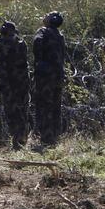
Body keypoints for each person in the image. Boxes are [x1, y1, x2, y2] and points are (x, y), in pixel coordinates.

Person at [33, 11, 67, 146]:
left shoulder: (43, 32)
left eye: (47, 15)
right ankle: (55, 135)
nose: (44, 16)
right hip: (58, 75)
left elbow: (37, 45)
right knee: (56, 106)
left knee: (44, 105)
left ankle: (46, 137)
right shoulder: (60, 35)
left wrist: (39, 62)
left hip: (45, 76)